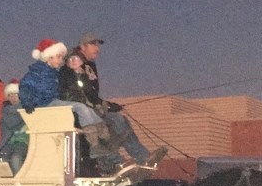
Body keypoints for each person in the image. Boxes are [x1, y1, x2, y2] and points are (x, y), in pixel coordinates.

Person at [76, 32, 167, 166]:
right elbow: (81, 91)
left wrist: (105, 104)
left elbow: (92, 93)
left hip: (92, 107)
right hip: (82, 110)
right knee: (108, 123)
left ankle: (142, 157)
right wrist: (104, 105)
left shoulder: (90, 65)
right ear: (83, 46)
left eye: (97, 45)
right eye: (93, 44)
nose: (97, 48)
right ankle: (114, 162)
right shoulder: (75, 63)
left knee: (121, 120)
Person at [18, 38, 109, 157]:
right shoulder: (37, 73)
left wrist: (77, 73)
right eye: (59, 57)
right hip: (44, 105)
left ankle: (103, 135)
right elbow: (24, 87)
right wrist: (28, 102)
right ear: (50, 57)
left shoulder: (54, 73)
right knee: (81, 107)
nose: (61, 60)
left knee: (88, 109)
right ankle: (94, 144)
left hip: (52, 102)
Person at [0, 79, 29, 173]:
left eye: (15, 94)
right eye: (10, 95)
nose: (13, 98)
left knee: (16, 158)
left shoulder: (29, 109)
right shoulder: (6, 111)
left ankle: (19, 182)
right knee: (1, 160)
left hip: (24, 141)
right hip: (9, 141)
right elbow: (7, 128)